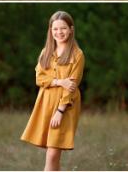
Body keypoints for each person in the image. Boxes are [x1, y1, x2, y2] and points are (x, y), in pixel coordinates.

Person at [21, 11, 85, 171]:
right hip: (46, 103)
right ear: (50, 31)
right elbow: (39, 79)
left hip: (65, 106)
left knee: (52, 154)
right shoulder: (46, 52)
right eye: (55, 29)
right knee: (52, 153)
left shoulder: (77, 54)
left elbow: (71, 86)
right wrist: (59, 81)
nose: (59, 32)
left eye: (63, 28)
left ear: (71, 29)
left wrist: (60, 111)